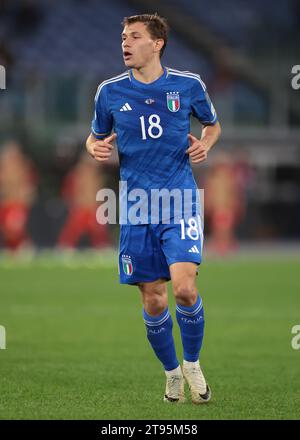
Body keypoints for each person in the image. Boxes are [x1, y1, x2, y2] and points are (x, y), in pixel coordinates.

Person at [86, 13, 221, 404]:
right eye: (123, 37)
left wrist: (206, 144)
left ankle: (192, 362)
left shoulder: (188, 84)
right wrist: (92, 147)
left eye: (134, 36)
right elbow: (93, 137)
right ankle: (171, 373)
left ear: (157, 43)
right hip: (135, 207)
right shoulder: (109, 92)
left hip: (179, 200)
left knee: (183, 289)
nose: (125, 43)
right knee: (154, 298)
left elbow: (212, 125)